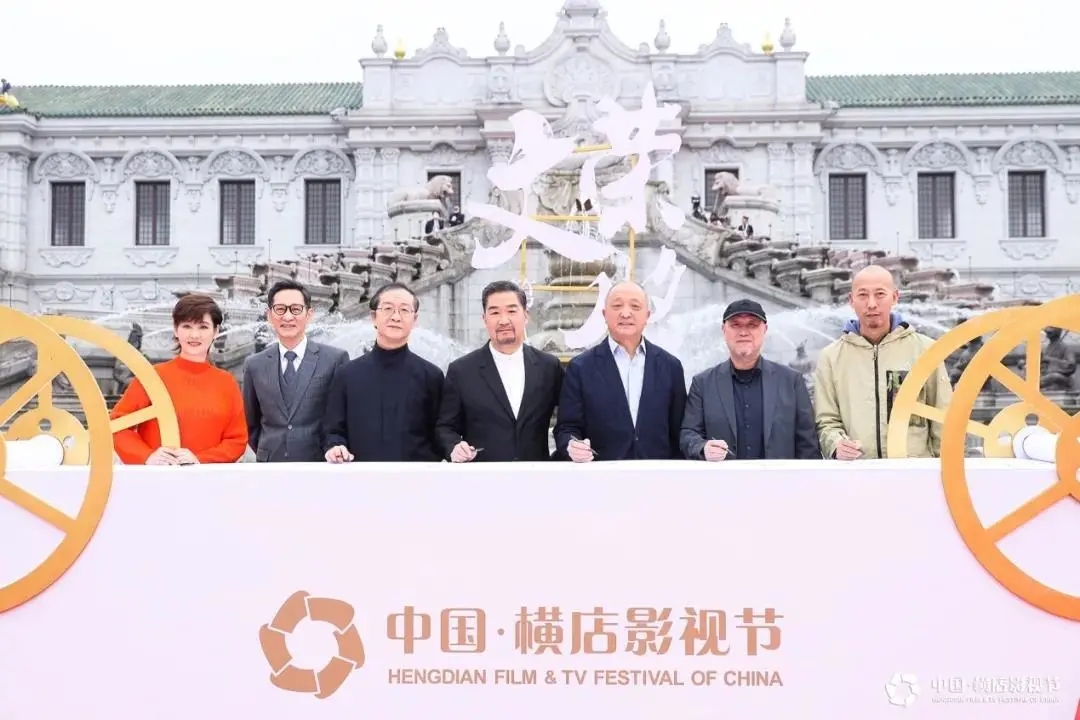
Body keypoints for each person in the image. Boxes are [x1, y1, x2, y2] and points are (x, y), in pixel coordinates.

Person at [814, 264, 952, 460]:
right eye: (863, 295)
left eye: (880, 294)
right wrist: (836, 444)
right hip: (857, 470)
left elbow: (944, 417)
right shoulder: (831, 357)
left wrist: (946, 469)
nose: (871, 304)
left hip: (914, 471)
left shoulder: (925, 350)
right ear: (851, 300)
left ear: (895, 297)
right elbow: (826, 421)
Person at [554, 280, 687, 461]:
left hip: (656, 471)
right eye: (617, 306)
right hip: (601, 471)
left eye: (635, 306)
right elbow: (566, 428)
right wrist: (572, 446)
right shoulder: (580, 368)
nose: (625, 313)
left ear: (647, 315)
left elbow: (681, 431)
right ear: (604, 314)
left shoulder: (670, 367)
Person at [112, 293, 248, 465]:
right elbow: (116, 425)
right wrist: (146, 456)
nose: (194, 335)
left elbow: (237, 440)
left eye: (203, 327)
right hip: (160, 478)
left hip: (210, 479)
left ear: (216, 331)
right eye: (187, 326)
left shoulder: (226, 383)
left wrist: (200, 459)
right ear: (176, 330)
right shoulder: (153, 377)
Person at [436, 280, 563, 462]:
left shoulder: (549, 367)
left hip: (536, 473)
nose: (504, 320)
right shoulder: (462, 371)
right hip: (483, 474)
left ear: (525, 316)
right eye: (495, 312)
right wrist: (454, 447)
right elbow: (445, 428)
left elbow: (568, 422)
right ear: (484, 319)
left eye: (512, 311)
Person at [680, 299, 819, 461]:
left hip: (777, 477)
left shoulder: (791, 381)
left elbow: (808, 444)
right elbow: (688, 434)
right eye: (735, 325)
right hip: (723, 477)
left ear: (765, 329)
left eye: (752, 325)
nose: (743, 332)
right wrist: (702, 447)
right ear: (724, 330)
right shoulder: (703, 384)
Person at [323, 283, 444, 462]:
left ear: (415, 319)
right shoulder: (347, 374)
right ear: (373, 316)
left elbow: (442, 434)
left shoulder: (432, 376)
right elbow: (333, 431)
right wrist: (335, 446)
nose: (395, 317)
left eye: (404, 310)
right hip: (360, 475)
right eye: (388, 309)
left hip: (416, 476)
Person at [242, 280, 349, 462]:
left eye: (296, 309)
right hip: (269, 465)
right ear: (269, 315)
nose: (288, 316)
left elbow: (341, 418)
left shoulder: (334, 359)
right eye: (280, 309)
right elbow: (251, 422)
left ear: (309, 314)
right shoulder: (254, 364)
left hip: (318, 463)